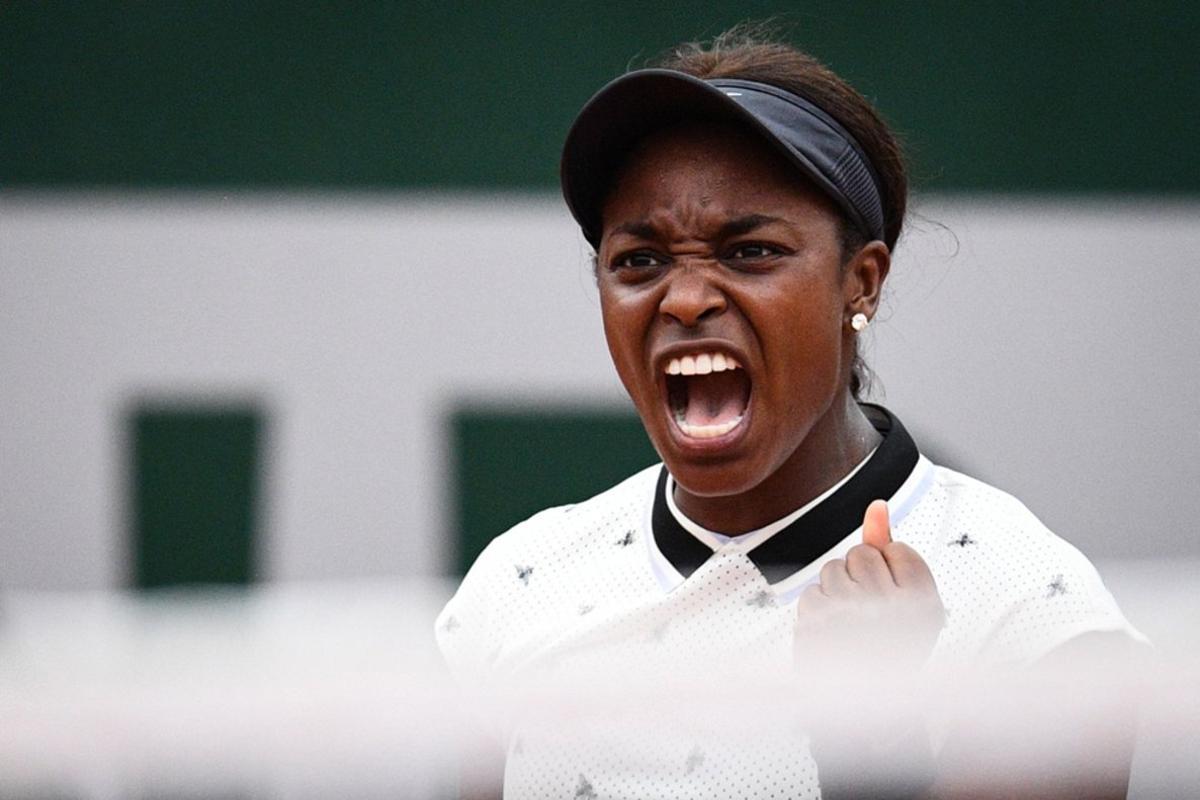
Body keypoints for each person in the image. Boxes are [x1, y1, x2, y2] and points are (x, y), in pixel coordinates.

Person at [436, 26, 1142, 799]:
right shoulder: (517, 583)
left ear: (860, 284)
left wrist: (876, 743)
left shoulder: (1032, 615)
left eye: (750, 252)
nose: (687, 297)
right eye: (639, 261)